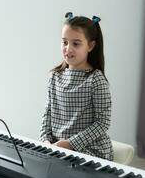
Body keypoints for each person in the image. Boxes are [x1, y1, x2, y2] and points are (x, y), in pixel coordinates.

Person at [39, 12, 113, 161]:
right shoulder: (54, 76)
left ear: (90, 46)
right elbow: (48, 113)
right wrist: (45, 140)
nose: (68, 48)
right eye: (64, 42)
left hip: (90, 149)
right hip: (58, 146)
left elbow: (102, 122)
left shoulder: (95, 79)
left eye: (76, 43)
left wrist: (71, 143)